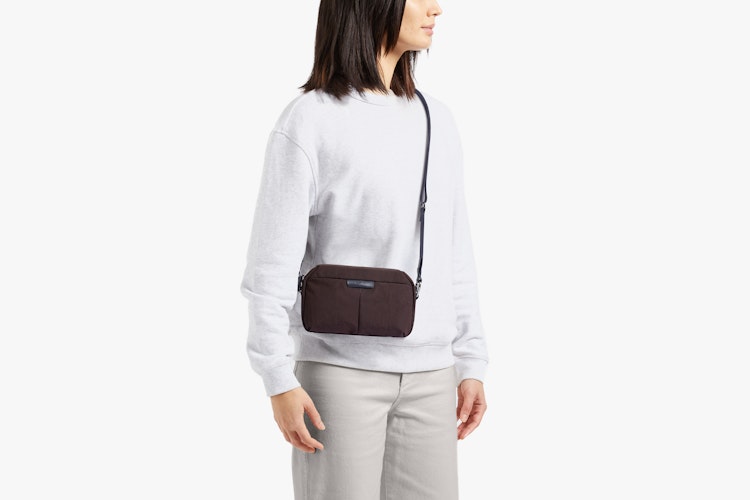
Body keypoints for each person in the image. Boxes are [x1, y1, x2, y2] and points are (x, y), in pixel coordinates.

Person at [239, 0, 489, 498]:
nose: (436, 8)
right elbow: (270, 266)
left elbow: (454, 253)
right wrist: (277, 377)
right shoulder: (311, 119)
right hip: (339, 376)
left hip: (433, 378)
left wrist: (471, 361)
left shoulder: (436, 120)